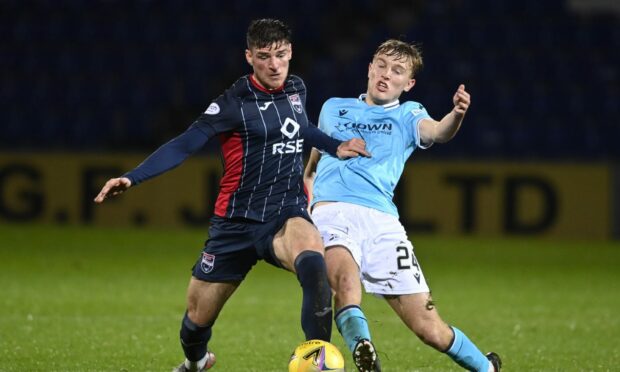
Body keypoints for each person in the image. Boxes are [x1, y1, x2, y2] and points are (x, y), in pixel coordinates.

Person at [94, 19, 369, 372]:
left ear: (291, 53)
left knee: (314, 261)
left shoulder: (296, 88)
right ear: (249, 57)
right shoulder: (232, 103)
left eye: (281, 55)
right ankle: (196, 363)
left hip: (285, 212)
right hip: (235, 224)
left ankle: (317, 361)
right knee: (196, 320)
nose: (274, 65)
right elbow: (184, 144)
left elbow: (302, 128)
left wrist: (336, 146)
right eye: (264, 56)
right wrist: (132, 178)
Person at [303, 39, 502, 372]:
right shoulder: (332, 107)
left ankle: (486, 368)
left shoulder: (410, 114)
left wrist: (456, 114)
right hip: (331, 213)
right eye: (381, 65)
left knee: (430, 328)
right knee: (345, 285)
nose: (385, 75)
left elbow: (438, 132)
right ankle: (365, 354)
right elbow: (314, 162)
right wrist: (310, 201)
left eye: (397, 71)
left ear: (408, 84)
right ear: (369, 68)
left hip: (382, 223)